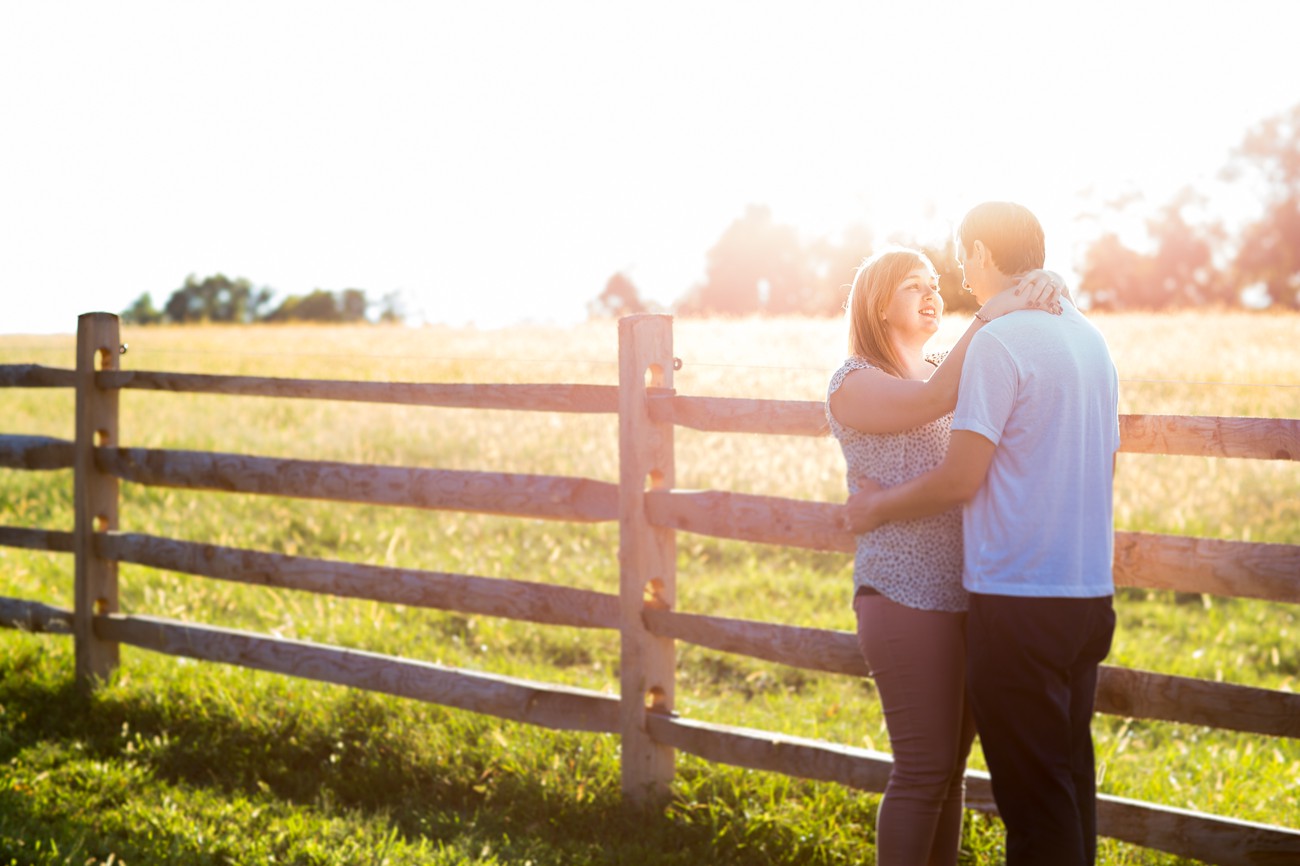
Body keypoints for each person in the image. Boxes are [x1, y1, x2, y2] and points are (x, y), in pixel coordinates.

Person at [844, 202, 1121, 866]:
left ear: (978, 254)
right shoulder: (1089, 337)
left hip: (1016, 598)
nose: (952, 277)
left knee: (1033, 804)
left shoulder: (995, 344)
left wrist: (879, 508)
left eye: (957, 261)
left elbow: (962, 476)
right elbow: (1105, 460)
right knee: (1065, 783)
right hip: (1084, 593)